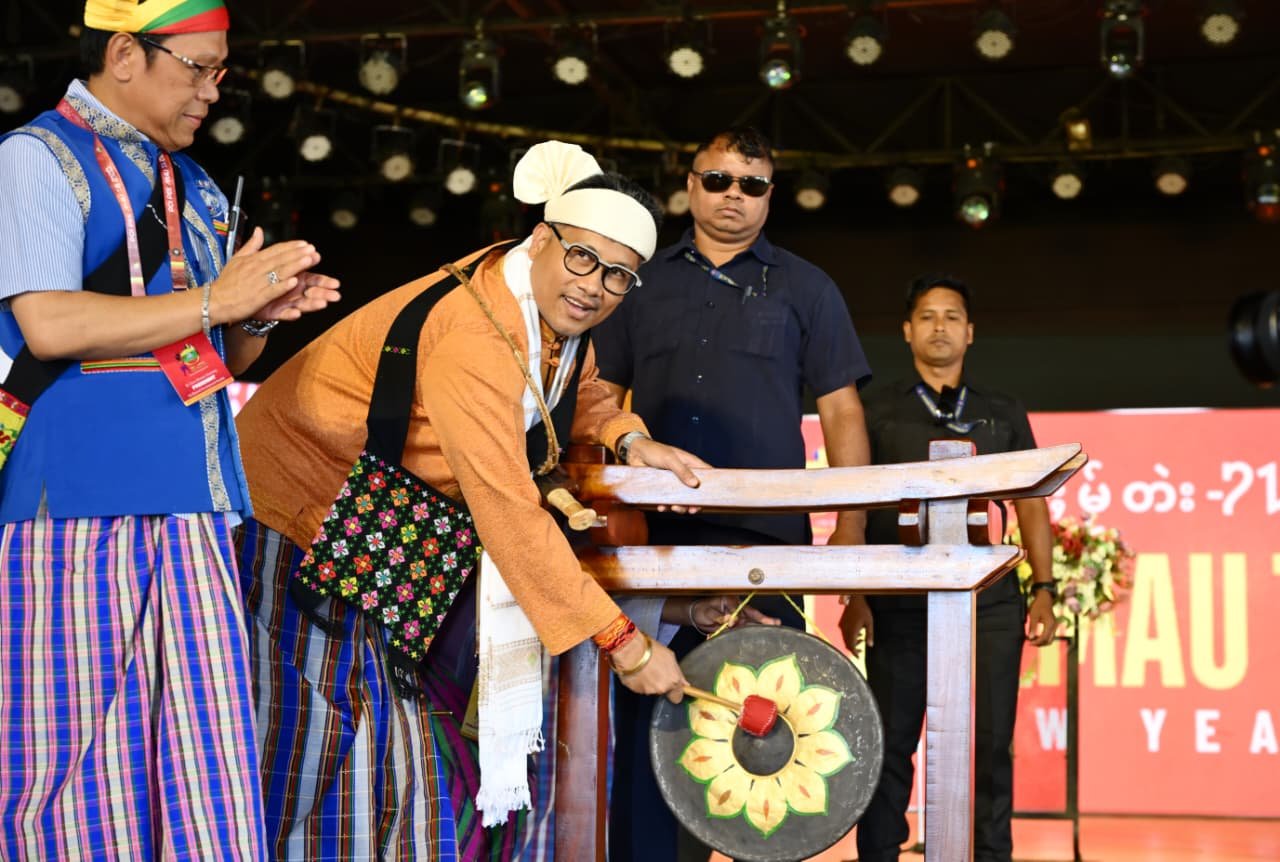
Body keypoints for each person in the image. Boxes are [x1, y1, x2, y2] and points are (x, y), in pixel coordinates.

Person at [233, 140, 747, 860]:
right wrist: (627, 646)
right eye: (582, 258)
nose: (594, 287)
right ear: (541, 238)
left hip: (384, 533)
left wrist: (628, 438)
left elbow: (578, 388)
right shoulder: (478, 338)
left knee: (382, 764)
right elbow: (508, 511)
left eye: (618, 276)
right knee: (305, 754)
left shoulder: (537, 304)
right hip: (294, 524)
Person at [0, 2, 340, 858]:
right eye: (198, 68)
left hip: (193, 507)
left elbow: (216, 349)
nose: (213, 91)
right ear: (124, 53)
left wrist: (256, 316)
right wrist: (218, 300)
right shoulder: (37, 157)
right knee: (74, 778)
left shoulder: (195, 185)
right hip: (76, 512)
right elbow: (48, 324)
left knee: (202, 774)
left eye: (220, 71)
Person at [593, 126, 873, 862]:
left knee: (757, 735)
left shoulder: (808, 287)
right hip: (649, 544)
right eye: (717, 180)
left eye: (751, 184)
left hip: (765, 548)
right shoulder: (638, 281)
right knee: (646, 726)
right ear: (689, 186)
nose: (733, 196)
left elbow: (842, 411)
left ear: (770, 197)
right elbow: (600, 397)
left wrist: (850, 527)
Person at [839, 274, 1057, 862]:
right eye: (928, 316)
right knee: (889, 745)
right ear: (907, 331)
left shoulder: (1001, 411)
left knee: (990, 744)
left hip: (989, 602)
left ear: (971, 332)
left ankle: (991, 855)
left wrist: (1044, 586)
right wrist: (855, 596)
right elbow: (855, 503)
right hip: (899, 602)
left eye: (952, 316)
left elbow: (1031, 504)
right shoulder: (875, 409)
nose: (940, 327)